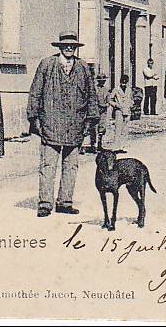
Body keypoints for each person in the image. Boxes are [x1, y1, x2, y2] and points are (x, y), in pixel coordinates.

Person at [27, 30, 99, 217]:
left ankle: (65, 202)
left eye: (72, 45)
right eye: (65, 45)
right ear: (60, 47)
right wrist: (34, 118)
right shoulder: (47, 64)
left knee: (71, 166)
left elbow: (92, 95)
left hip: (75, 125)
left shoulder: (83, 67)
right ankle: (45, 203)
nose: (69, 48)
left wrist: (91, 121)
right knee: (48, 166)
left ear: (76, 47)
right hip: (50, 124)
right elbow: (35, 92)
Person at [82, 73, 110, 154]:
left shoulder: (106, 89)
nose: (102, 82)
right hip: (95, 111)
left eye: (103, 80)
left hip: (103, 111)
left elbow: (109, 99)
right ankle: (93, 145)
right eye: (101, 81)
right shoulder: (94, 89)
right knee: (93, 128)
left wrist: (107, 105)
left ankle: (99, 144)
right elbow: (92, 99)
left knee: (102, 128)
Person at [109, 74, 133, 150]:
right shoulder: (116, 89)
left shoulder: (129, 89)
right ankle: (116, 147)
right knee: (118, 129)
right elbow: (110, 100)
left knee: (125, 129)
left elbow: (131, 99)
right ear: (120, 81)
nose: (124, 83)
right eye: (122, 82)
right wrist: (116, 105)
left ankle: (123, 146)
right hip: (119, 111)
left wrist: (131, 104)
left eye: (125, 82)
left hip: (127, 110)